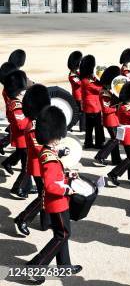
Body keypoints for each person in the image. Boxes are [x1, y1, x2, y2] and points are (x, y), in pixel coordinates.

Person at [26, 106, 82, 278]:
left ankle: (64, 266)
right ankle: (36, 266)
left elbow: (56, 175)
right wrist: (67, 188)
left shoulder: (48, 151)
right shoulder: (49, 158)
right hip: (57, 203)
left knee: (62, 234)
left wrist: (67, 174)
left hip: (58, 202)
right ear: (53, 136)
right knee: (62, 235)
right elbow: (51, 186)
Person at [14, 84, 52, 235]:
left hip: (41, 164)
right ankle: (23, 218)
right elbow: (38, 148)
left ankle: (46, 222)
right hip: (38, 166)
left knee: (44, 194)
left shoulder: (38, 121)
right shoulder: (33, 125)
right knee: (44, 195)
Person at [2, 70, 32, 197]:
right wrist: (32, 118)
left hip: (23, 138)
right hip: (22, 139)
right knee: (27, 166)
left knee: (26, 162)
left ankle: (26, 186)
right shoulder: (16, 105)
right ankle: (18, 188)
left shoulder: (15, 101)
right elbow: (21, 125)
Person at [93, 66, 122, 166]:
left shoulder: (110, 92)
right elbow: (106, 109)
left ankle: (116, 159)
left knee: (116, 140)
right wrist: (117, 108)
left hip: (114, 120)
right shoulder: (105, 94)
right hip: (110, 120)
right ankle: (100, 156)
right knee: (115, 139)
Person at [79, 55, 105, 149]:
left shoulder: (88, 79)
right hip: (93, 107)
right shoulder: (86, 81)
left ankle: (88, 142)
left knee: (89, 127)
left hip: (91, 106)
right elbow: (98, 89)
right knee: (97, 127)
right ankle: (98, 143)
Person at [66, 50, 84, 131]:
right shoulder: (72, 76)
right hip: (78, 97)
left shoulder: (77, 73)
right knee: (80, 113)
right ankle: (80, 128)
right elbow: (80, 83)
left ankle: (81, 127)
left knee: (79, 113)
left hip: (80, 96)